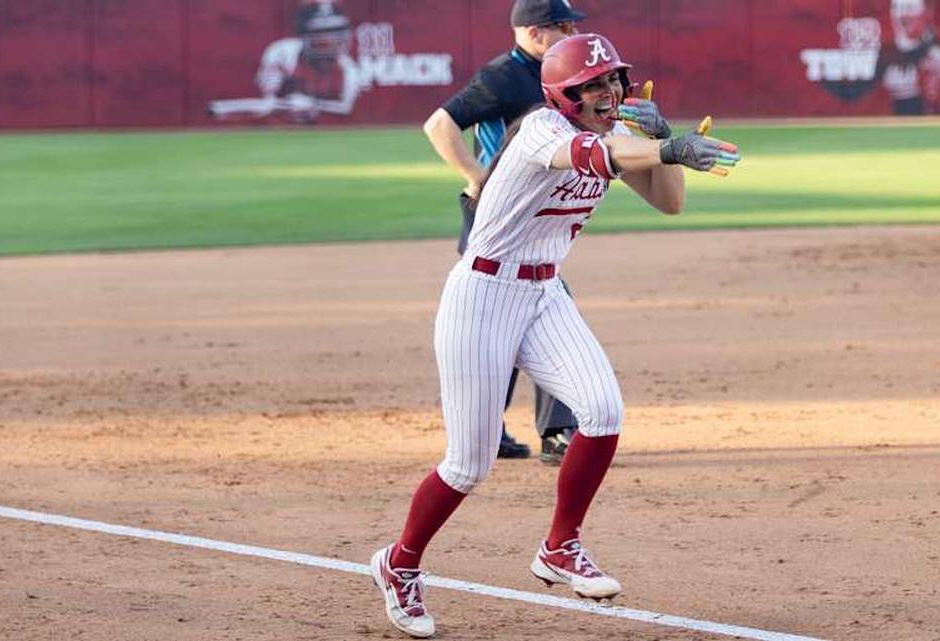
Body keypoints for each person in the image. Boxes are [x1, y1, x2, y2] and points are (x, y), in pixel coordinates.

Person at [368, 33, 740, 638]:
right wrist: (665, 147)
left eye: (612, 81)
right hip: (482, 295)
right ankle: (400, 563)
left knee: (601, 410)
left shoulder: (619, 136)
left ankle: (560, 546)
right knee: (469, 463)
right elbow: (595, 159)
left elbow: (669, 203)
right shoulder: (543, 131)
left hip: (544, 294)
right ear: (562, 96)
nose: (607, 93)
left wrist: (657, 137)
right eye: (590, 86)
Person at [422, 0, 587, 464]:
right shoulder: (504, 76)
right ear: (535, 32)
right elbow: (439, 124)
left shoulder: (553, 72)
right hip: (497, 218)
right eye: (563, 25)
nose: (572, 31)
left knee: (506, 316)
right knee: (540, 302)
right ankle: (557, 431)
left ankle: (490, 427)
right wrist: (477, 177)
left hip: (529, 214)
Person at [209, 0, 358, 123]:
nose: (329, 42)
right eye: (321, 36)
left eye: (334, 35)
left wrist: (314, 104)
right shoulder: (282, 52)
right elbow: (268, 101)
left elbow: (346, 108)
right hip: (277, 127)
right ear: (304, 35)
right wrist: (288, 104)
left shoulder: (347, 68)